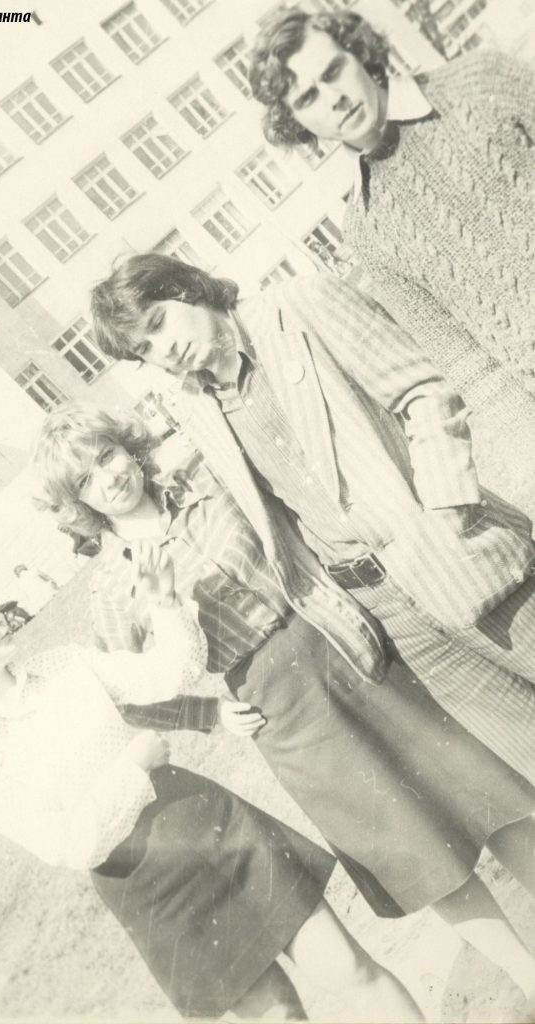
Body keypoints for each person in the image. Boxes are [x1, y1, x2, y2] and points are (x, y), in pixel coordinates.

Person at [32, 399, 535, 1016]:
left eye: (107, 455)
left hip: (346, 642)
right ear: (78, 504)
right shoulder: (114, 587)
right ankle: (527, 975)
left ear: (126, 446)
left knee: (485, 791)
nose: (108, 478)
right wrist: (204, 715)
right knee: (417, 853)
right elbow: (127, 697)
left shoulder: (209, 482)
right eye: (86, 479)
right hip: (284, 714)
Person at [0, 555, 423, 1023]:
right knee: (279, 1016)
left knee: (350, 969)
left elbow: (171, 674)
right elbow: (67, 844)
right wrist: (134, 768)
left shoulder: (63, 664)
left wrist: (162, 600)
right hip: (147, 888)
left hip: (209, 825)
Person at [89, 253, 535, 786]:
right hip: (391, 617)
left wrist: (445, 515)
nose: (164, 350)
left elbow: (424, 393)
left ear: (186, 289)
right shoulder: (195, 408)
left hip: (462, 558)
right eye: (145, 349)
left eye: (159, 323)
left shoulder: (302, 305)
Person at [247, 6, 535, 513]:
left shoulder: (482, 80)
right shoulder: (367, 231)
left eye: (333, 71)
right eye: (308, 97)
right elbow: (474, 369)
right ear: (297, 122)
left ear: (359, 52)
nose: (334, 99)